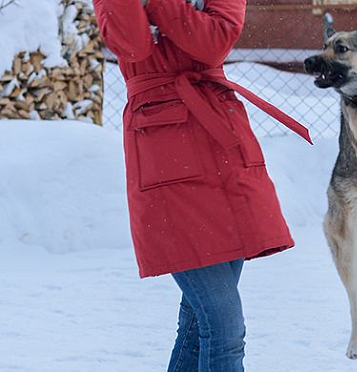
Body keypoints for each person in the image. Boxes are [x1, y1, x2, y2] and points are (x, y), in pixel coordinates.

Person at [92, 1, 311, 371]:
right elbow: (132, 45)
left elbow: (213, 42)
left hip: (224, 151)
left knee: (198, 325)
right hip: (166, 156)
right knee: (224, 329)